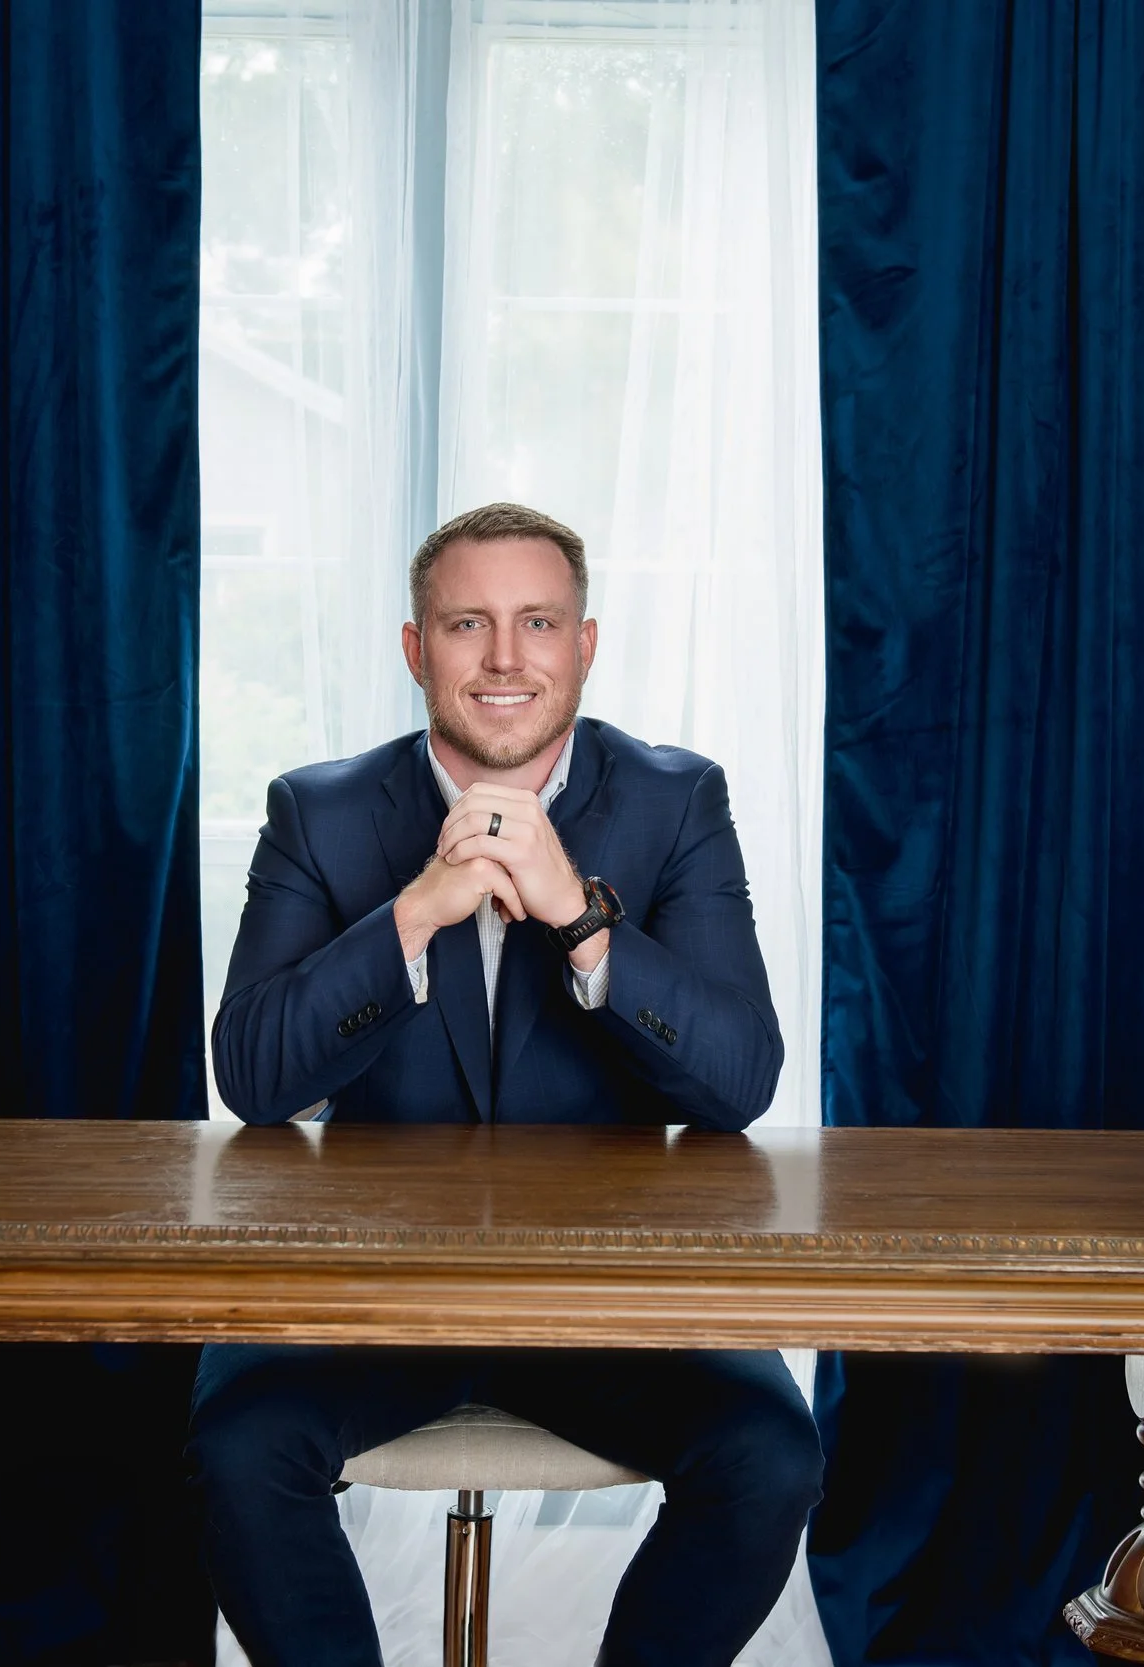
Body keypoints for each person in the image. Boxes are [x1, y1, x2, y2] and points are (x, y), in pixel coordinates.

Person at [192, 503, 822, 1666]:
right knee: (235, 1441)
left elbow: (737, 1080)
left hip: (610, 1291)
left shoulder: (674, 802)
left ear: (583, 645)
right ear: (414, 647)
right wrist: (415, 911)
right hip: (369, 1291)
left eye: (538, 622)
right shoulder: (317, 811)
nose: (503, 657)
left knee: (771, 1452)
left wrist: (580, 919)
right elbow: (254, 1079)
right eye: (466, 623)